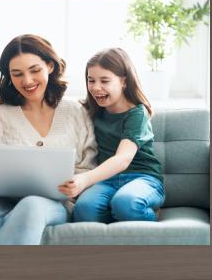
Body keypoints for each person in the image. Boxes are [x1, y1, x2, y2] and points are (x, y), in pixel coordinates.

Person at [0, 34, 97, 245]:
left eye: (35, 70)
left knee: (30, 206)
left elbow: (88, 169)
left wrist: (74, 185)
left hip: (52, 204)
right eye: (17, 74)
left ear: (50, 65)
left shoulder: (77, 112)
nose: (27, 81)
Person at [65, 48, 165, 223]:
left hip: (143, 178)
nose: (96, 87)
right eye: (91, 80)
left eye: (104, 80)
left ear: (124, 82)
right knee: (83, 211)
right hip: (106, 180)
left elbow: (122, 159)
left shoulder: (137, 114)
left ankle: (150, 214)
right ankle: (121, 214)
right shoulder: (91, 108)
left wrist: (84, 179)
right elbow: (56, 104)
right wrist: (2, 102)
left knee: (126, 203)